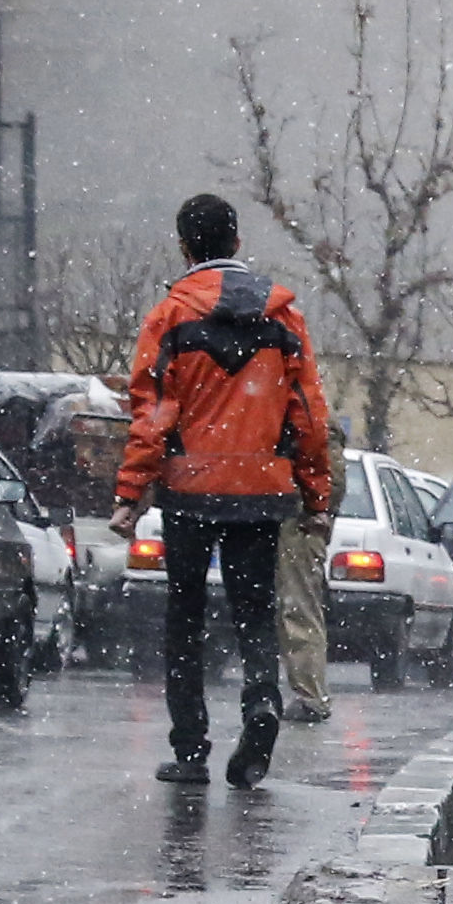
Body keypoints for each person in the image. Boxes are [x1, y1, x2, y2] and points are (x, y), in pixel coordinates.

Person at [116, 193, 336, 786]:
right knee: (254, 610)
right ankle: (261, 701)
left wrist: (130, 490)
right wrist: (315, 493)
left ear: (185, 246)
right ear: (237, 242)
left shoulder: (170, 317)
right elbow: (309, 415)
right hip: (261, 490)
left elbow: (152, 412)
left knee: (184, 616)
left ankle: (191, 750)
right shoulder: (284, 318)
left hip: (190, 490)